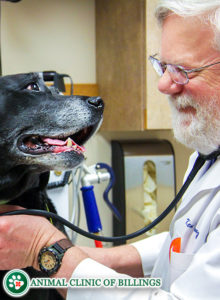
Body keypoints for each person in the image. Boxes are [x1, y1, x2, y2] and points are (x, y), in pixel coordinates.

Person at [1, 0, 220, 299]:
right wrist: (87, 258)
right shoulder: (208, 154)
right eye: (163, 66)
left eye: (183, 70)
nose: (164, 85)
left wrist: (44, 248)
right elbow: (187, 247)